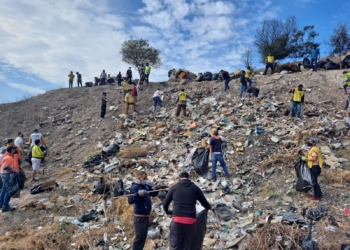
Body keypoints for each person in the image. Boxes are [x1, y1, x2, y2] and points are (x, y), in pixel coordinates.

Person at [162, 171, 212, 250]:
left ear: (179, 178)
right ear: (189, 178)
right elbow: (204, 203)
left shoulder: (174, 188)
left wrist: (168, 212)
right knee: (190, 246)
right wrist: (209, 207)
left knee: (175, 246)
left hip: (177, 221)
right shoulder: (195, 188)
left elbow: (165, 204)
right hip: (190, 222)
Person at [128, 171, 159, 250]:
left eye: (146, 178)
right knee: (139, 237)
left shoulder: (146, 186)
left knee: (143, 237)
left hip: (146, 215)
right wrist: (138, 194)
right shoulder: (135, 187)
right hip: (139, 217)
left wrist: (158, 188)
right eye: (144, 178)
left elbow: (153, 193)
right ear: (139, 178)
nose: (146, 180)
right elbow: (130, 200)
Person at [0, 146, 19, 212]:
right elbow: (6, 167)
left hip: (5, 175)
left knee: (4, 190)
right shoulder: (8, 157)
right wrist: (14, 171)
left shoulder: (9, 157)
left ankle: (1, 204)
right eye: (14, 149)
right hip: (7, 176)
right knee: (9, 190)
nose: (15, 150)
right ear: (12, 150)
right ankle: (5, 206)